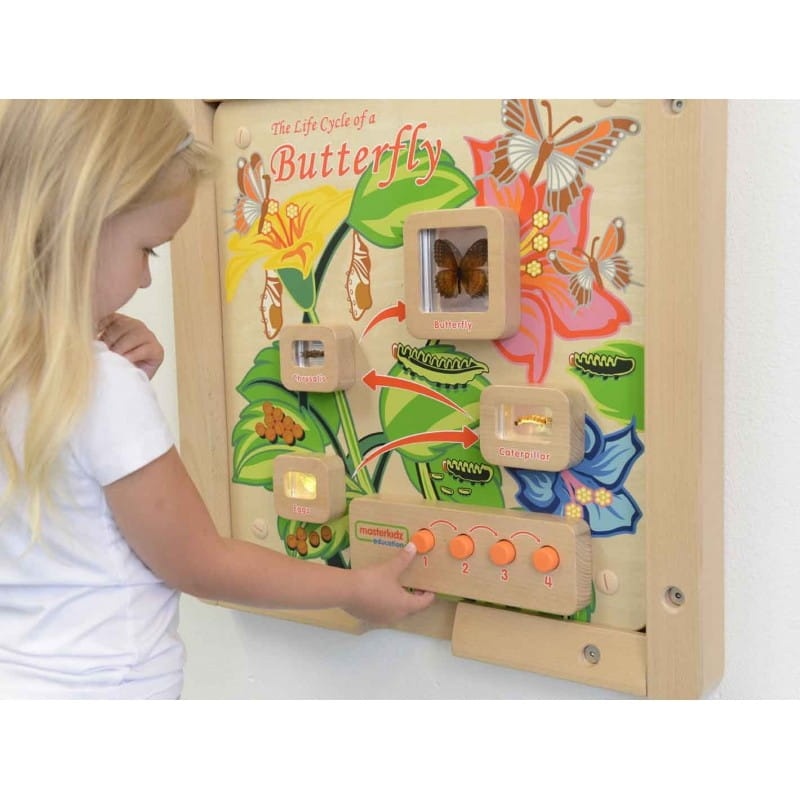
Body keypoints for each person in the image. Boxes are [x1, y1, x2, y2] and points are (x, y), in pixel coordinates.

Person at [0, 99, 434, 699]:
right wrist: (352, 589)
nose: (146, 279)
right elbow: (199, 563)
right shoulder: (99, 388)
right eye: (148, 249)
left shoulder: (32, 373)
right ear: (81, 221)